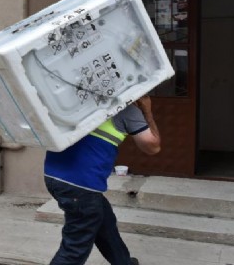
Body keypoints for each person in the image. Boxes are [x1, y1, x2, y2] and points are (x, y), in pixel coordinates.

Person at [44, 95, 161, 265]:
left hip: (54, 175)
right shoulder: (127, 109)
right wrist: (147, 111)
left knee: (105, 222)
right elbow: (152, 146)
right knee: (73, 250)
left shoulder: (75, 98)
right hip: (81, 185)